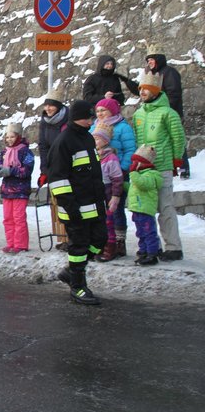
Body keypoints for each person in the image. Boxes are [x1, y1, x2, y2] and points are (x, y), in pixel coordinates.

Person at [47, 100, 105, 306]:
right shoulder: (65, 142)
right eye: (88, 116)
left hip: (94, 204)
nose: (92, 119)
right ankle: (78, 287)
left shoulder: (88, 138)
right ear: (77, 117)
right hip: (76, 208)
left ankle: (71, 272)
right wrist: (71, 207)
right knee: (78, 248)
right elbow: (58, 179)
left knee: (100, 241)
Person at [132, 71, 186, 261]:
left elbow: (178, 138)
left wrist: (176, 159)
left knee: (165, 206)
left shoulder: (168, 113)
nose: (142, 92)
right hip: (144, 168)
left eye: (146, 89)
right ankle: (151, 246)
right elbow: (138, 139)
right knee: (145, 210)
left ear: (155, 90)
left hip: (162, 166)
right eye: (141, 89)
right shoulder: (138, 114)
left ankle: (173, 246)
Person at [90, 98, 136, 256]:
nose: (100, 113)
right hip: (99, 175)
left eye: (104, 110)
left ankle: (119, 241)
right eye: (98, 111)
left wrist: (122, 169)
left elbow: (130, 150)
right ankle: (106, 241)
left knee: (116, 210)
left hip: (118, 173)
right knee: (103, 212)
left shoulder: (122, 127)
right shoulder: (93, 127)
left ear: (113, 111)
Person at [145, 45, 189, 178]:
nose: (149, 63)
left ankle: (183, 168)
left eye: (151, 60)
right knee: (162, 141)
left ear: (158, 59)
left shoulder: (169, 72)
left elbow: (173, 94)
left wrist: (163, 109)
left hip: (170, 113)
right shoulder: (153, 74)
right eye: (148, 61)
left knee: (176, 139)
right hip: (157, 114)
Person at [0, 123, 34, 253]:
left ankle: (20, 245)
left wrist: (10, 170)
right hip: (7, 190)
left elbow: (27, 170)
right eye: (7, 137)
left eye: (12, 137)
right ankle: (11, 243)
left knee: (18, 218)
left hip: (20, 190)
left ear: (18, 137)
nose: (9, 140)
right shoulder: (4, 152)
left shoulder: (26, 151)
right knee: (8, 218)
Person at [37, 86, 69, 250]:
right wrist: (44, 169)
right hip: (52, 167)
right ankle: (62, 238)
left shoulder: (67, 120)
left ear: (58, 106)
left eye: (52, 105)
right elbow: (43, 146)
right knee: (56, 205)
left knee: (67, 204)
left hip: (66, 167)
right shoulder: (44, 122)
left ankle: (70, 237)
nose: (48, 109)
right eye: (46, 105)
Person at [91, 124, 124, 262]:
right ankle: (98, 247)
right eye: (93, 139)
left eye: (98, 139)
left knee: (108, 222)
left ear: (105, 141)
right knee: (97, 223)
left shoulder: (111, 158)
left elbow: (117, 178)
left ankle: (110, 248)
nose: (95, 142)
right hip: (95, 193)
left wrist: (115, 197)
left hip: (108, 192)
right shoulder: (92, 155)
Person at [127, 145, 163, 266]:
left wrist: (133, 173)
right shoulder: (140, 174)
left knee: (149, 232)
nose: (133, 164)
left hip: (145, 209)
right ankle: (143, 251)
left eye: (136, 161)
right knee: (140, 232)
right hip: (137, 208)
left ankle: (152, 254)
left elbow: (142, 184)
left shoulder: (151, 174)